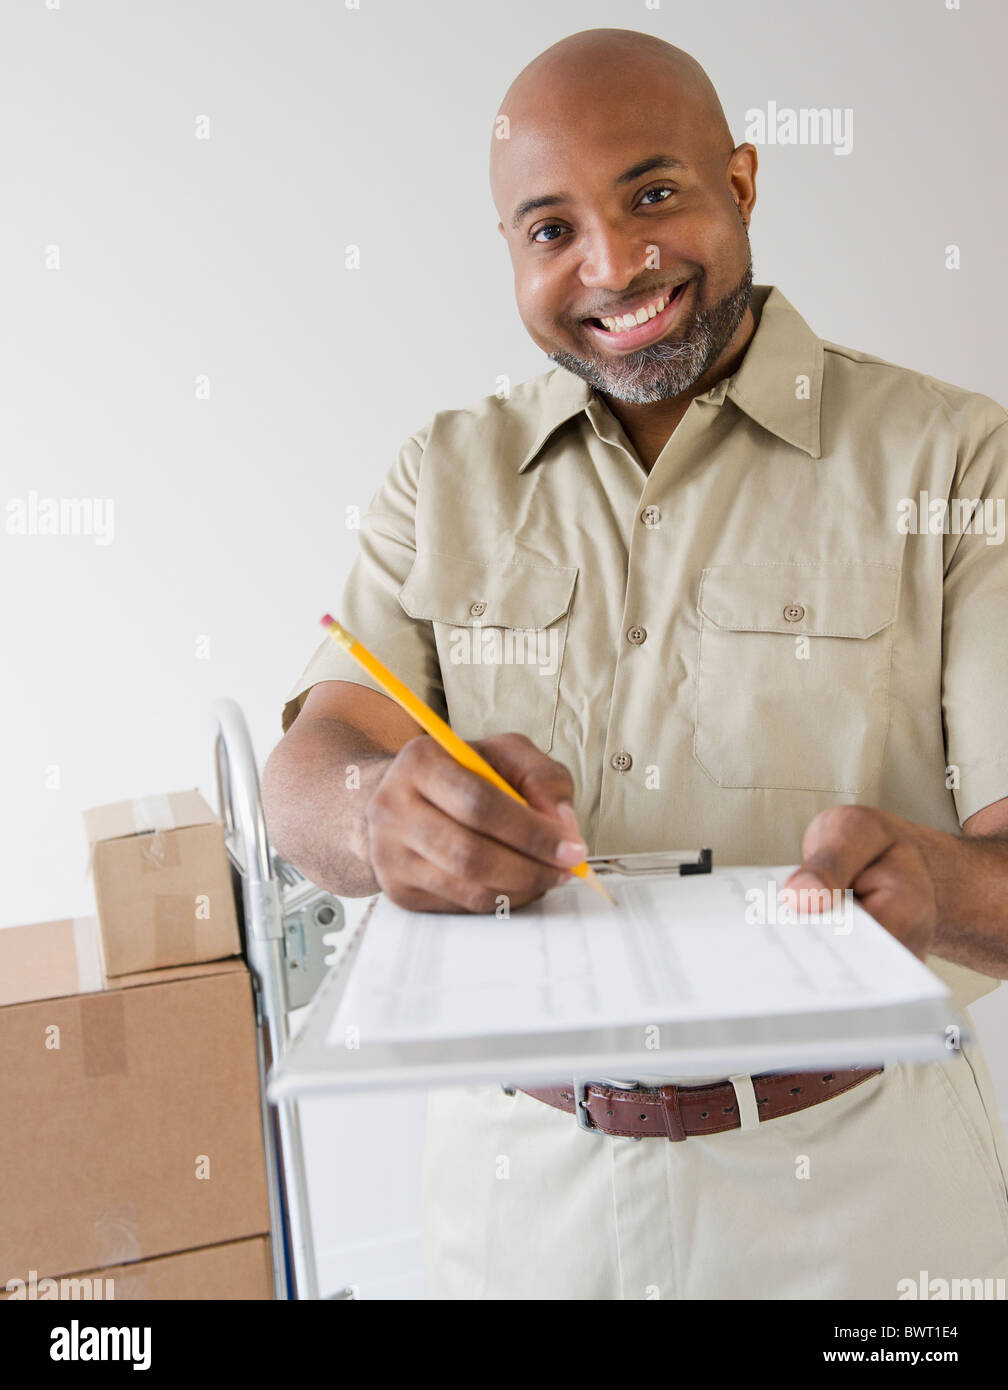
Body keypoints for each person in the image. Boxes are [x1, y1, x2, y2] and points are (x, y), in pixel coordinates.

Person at [263, 28, 1008, 1298]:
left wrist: (941, 885)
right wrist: (375, 813)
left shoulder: (954, 460)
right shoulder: (437, 476)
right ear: (511, 252)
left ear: (746, 184)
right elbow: (310, 766)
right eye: (550, 229)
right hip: (515, 1216)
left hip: (868, 1211)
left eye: (654, 195)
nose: (613, 265)